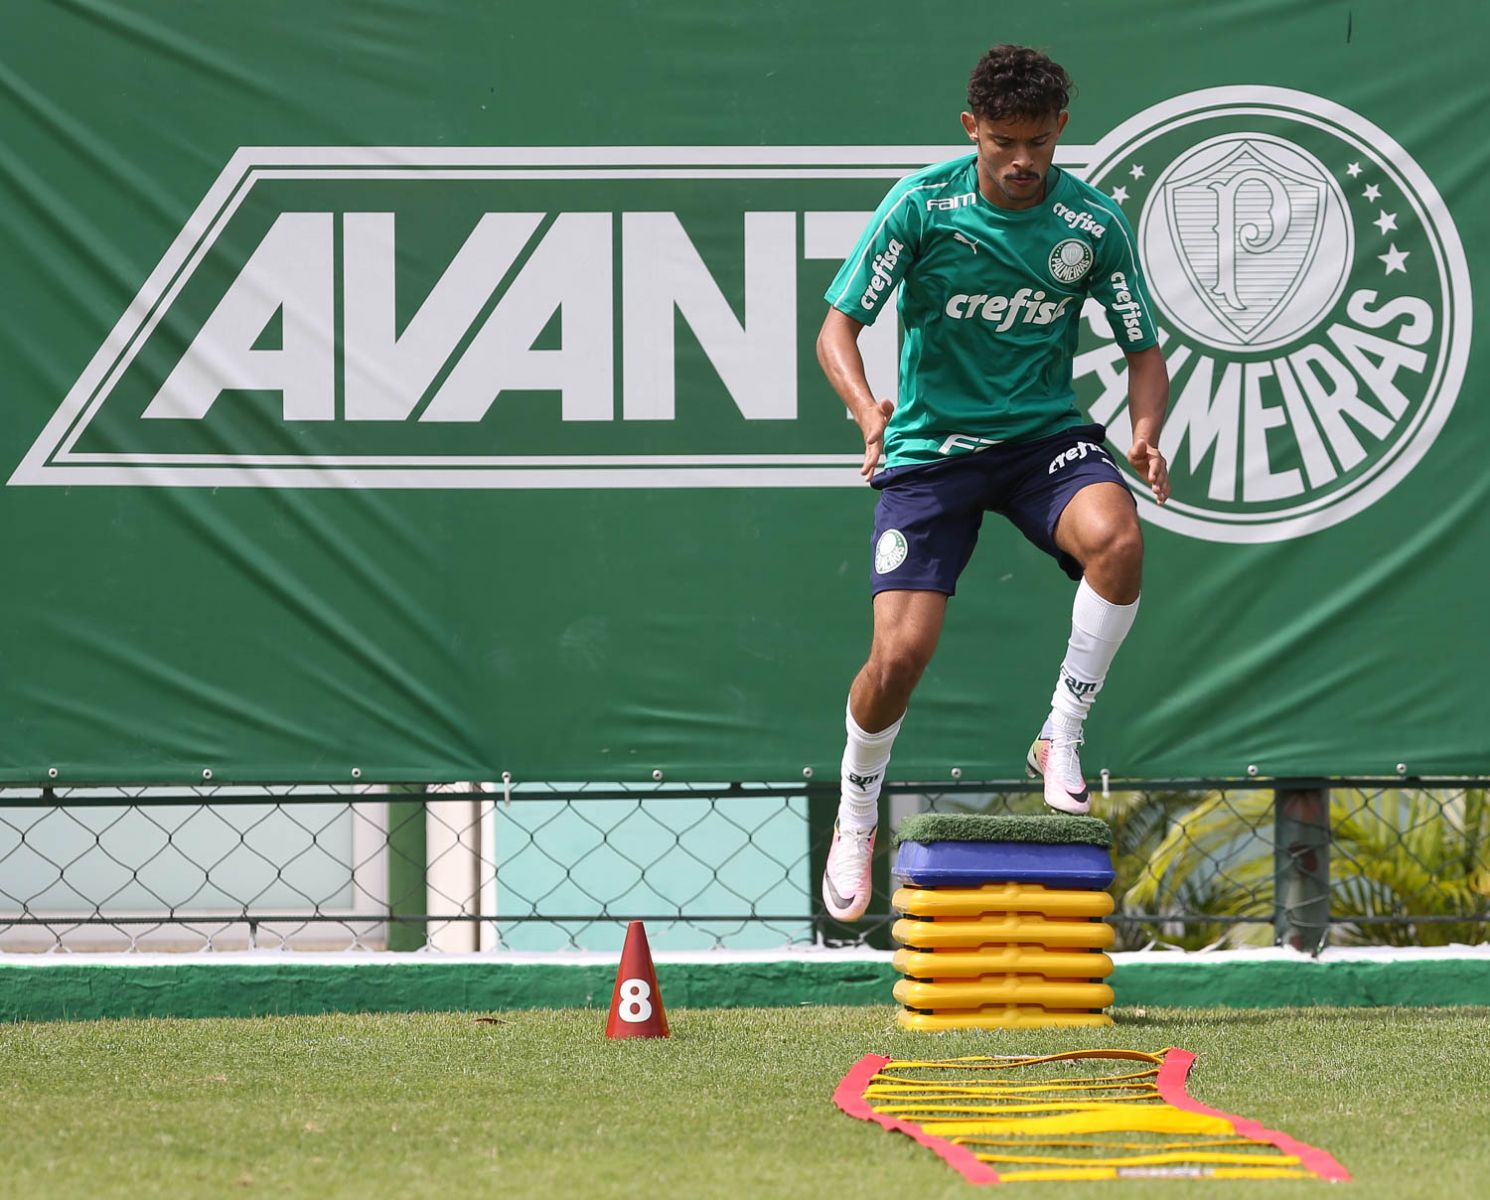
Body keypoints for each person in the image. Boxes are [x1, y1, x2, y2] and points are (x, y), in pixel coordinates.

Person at [816, 44, 1170, 922]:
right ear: (971, 128)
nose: (1022, 163)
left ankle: (1062, 734)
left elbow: (1143, 350)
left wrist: (1145, 432)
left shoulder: (1091, 225)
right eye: (1004, 142)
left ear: (1061, 133)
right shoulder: (922, 205)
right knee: (897, 660)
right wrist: (867, 412)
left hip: (1042, 437)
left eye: (1039, 145)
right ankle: (857, 809)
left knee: (1118, 540)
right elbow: (837, 329)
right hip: (932, 451)